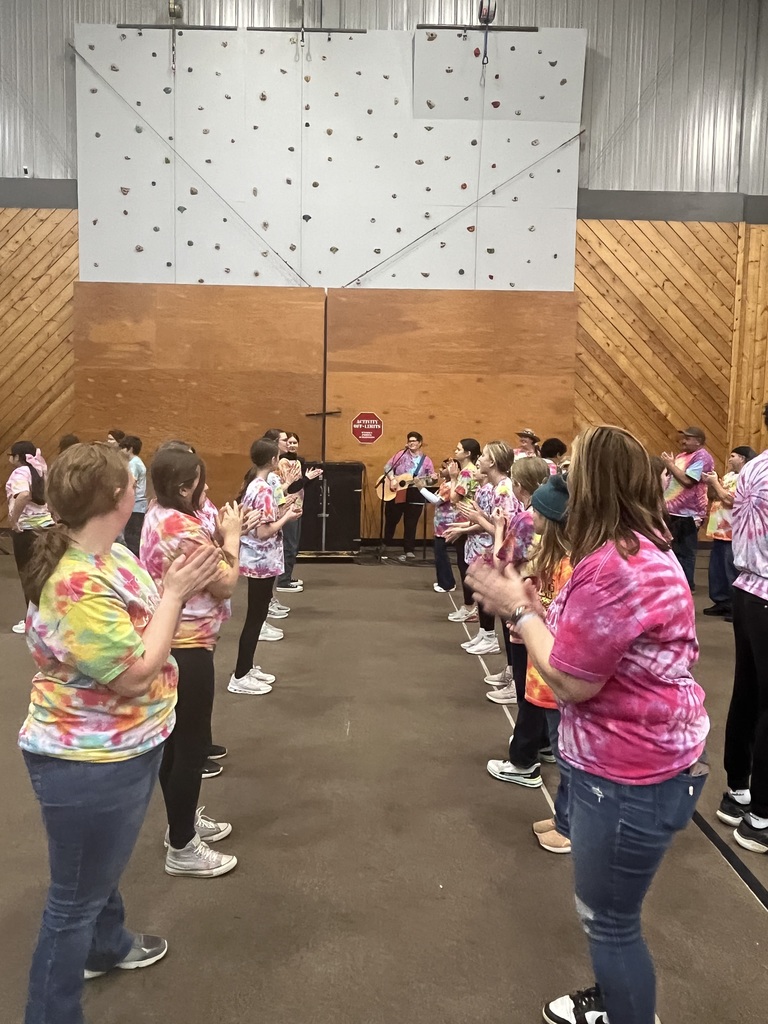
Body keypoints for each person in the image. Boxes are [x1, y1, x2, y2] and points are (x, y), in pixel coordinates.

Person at [468, 425, 709, 1024]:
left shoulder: (616, 567)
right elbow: (600, 642)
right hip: (643, 762)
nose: (561, 478)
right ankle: (616, 1000)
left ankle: (626, 1009)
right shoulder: (633, 548)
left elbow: (574, 680)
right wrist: (540, 609)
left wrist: (520, 610)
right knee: (612, 918)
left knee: (611, 924)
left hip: (627, 772)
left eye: (573, 468)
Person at [18, 442, 221, 1024]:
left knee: (90, 871)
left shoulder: (111, 555)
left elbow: (149, 619)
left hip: (120, 748)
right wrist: (180, 593)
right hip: (88, 760)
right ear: (117, 496)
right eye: (132, 479)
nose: (141, 485)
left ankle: (109, 948)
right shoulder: (76, 580)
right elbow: (135, 674)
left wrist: (174, 592)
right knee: (71, 901)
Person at [141, 445, 242, 878]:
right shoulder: (182, 526)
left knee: (178, 743)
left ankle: (180, 822)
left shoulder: (157, 513)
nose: (207, 489)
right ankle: (182, 846)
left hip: (174, 641)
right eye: (201, 482)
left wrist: (218, 536)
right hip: (187, 646)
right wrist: (232, 534)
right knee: (191, 747)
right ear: (184, 488)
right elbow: (225, 585)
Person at [720, 411, 768, 854]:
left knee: (749, 691)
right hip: (766, 589)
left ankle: (737, 791)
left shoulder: (753, 466)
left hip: (748, 587)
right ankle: (761, 818)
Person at [229, 437, 302, 694]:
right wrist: (288, 518)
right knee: (255, 617)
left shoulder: (256, 485)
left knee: (258, 616)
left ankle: (247, 667)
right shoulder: (261, 489)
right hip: (260, 560)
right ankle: (239, 675)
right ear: (273, 460)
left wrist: (284, 513)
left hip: (261, 560)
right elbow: (262, 532)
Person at [444, 441, 518, 656]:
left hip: (495, 551)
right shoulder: (494, 488)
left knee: (498, 605)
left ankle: (493, 642)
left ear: (493, 462)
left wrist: (476, 519)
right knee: (483, 596)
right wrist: (471, 522)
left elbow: (503, 531)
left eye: (484, 455)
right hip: (486, 548)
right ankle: (487, 636)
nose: (479, 459)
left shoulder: (503, 489)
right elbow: (494, 522)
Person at [702, 446, 757, 621]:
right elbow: (715, 496)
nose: (730, 459)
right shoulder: (729, 476)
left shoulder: (745, 477)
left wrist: (716, 484)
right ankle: (722, 602)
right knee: (717, 570)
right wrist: (710, 482)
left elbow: (731, 500)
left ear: (742, 458)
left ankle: (735, 607)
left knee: (731, 570)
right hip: (719, 530)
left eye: (733, 456)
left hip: (734, 531)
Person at [6, 441, 54, 633]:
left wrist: (14, 520)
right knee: (45, 573)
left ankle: (33, 622)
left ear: (17, 457)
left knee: (28, 575)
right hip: (46, 527)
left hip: (27, 531)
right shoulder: (40, 468)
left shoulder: (20, 472)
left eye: (11, 455)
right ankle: (48, 619)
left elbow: (24, 495)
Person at [661, 426, 715, 590]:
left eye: (687, 438)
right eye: (683, 437)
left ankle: (686, 586)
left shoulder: (702, 457)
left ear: (698, 441)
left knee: (685, 551)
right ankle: (674, 583)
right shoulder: (682, 455)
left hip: (688, 513)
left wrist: (670, 465)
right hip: (672, 510)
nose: (683, 441)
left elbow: (688, 481)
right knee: (673, 550)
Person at [276, 431, 323, 594]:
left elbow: (301, 486)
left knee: (293, 545)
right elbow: (292, 486)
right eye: (288, 442)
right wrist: (308, 478)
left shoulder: (296, 461)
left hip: (297, 506)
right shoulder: (283, 462)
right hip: (287, 507)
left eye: (295, 442)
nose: (291, 445)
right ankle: (283, 580)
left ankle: (287, 577)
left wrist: (309, 478)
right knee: (289, 545)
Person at [382, 431, 436, 561]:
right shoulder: (400, 455)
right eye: (409, 440)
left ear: (420, 443)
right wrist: (393, 479)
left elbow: (430, 480)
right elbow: (387, 467)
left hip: (415, 492)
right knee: (392, 518)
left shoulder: (426, 460)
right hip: (398, 491)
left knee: (411, 522)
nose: (411, 443)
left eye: (414, 441)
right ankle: (385, 544)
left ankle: (409, 549)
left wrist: (433, 479)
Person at [446, 439, 482, 622]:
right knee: (463, 564)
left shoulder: (467, 473)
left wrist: (452, 478)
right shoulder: (467, 471)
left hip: (467, 521)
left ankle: (470, 606)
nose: (455, 451)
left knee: (465, 566)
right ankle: (469, 605)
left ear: (468, 453)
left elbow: (453, 498)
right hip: (464, 521)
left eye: (458, 449)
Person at [118, 435, 148, 557]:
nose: (120, 451)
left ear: (130, 449)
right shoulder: (137, 462)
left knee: (131, 539)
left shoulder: (133, 464)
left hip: (135, 506)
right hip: (138, 506)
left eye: (122, 448)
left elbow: (131, 483)